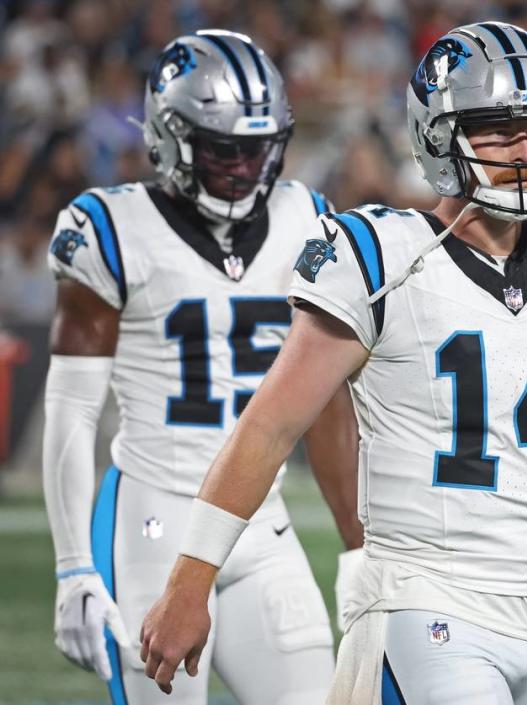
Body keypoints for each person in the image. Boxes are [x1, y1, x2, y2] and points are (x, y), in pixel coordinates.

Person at [139, 22, 527, 704]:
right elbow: (268, 426)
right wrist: (190, 579)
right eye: (502, 132)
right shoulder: (382, 253)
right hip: (426, 604)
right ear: (442, 137)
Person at [42, 30, 361, 705]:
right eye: (224, 148)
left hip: (261, 522)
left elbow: (329, 400)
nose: (245, 167)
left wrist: (358, 544)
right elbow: (71, 408)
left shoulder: (307, 218)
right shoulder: (109, 227)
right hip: (153, 516)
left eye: (258, 147)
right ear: (170, 134)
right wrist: (74, 565)